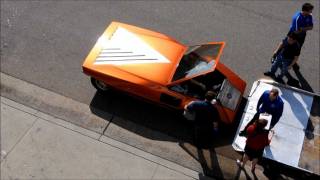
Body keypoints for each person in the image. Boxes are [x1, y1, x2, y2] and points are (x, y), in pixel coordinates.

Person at [287, 3, 314, 70]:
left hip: (302, 36)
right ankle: (280, 57)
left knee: (297, 50)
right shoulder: (297, 18)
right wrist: (305, 28)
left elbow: (311, 27)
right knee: (289, 47)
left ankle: (293, 62)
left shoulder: (309, 16)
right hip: (294, 35)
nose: (311, 12)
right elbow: (296, 31)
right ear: (305, 11)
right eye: (310, 10)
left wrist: (302, 29)